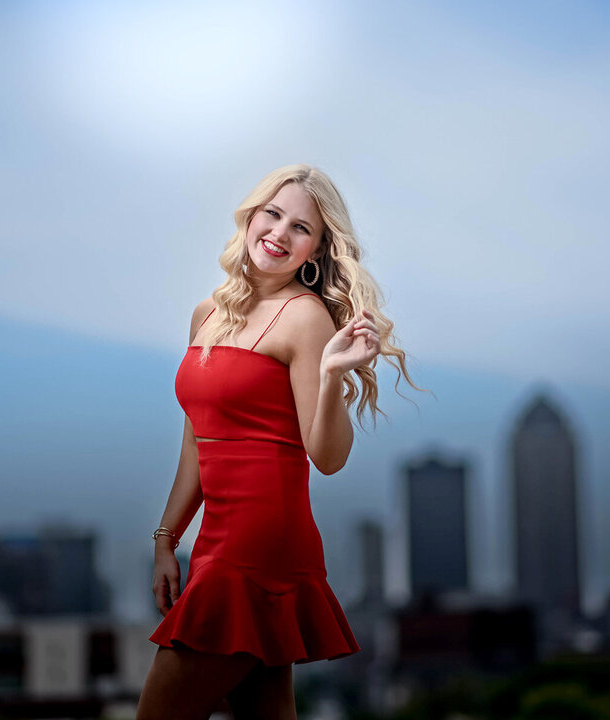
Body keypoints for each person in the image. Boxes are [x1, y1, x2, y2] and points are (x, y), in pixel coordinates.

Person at [136, 164, 421, 719]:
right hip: (217, 544)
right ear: (250, 216)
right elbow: (197, 445)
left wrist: (334, 375)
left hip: (261, 544)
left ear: (315, 251)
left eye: (301, 228)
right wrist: (166, 541)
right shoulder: (205, 316)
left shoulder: (305, 318)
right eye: (273, 214)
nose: (279, 233)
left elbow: (328, 457)